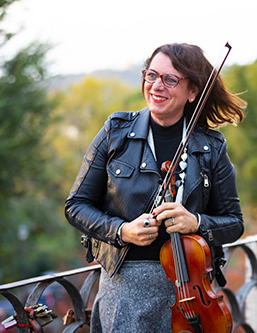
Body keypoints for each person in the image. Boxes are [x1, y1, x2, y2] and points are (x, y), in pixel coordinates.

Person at [65, 43, 246, 332]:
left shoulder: (211, 146)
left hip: (190, 291)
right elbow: (75, 206)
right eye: (151, 75)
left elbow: (234, 224)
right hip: (126, 289)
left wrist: (195, 222)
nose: (156, 86)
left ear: (193, 92)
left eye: (170, 79)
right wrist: (122, 231)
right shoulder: (116, 132)